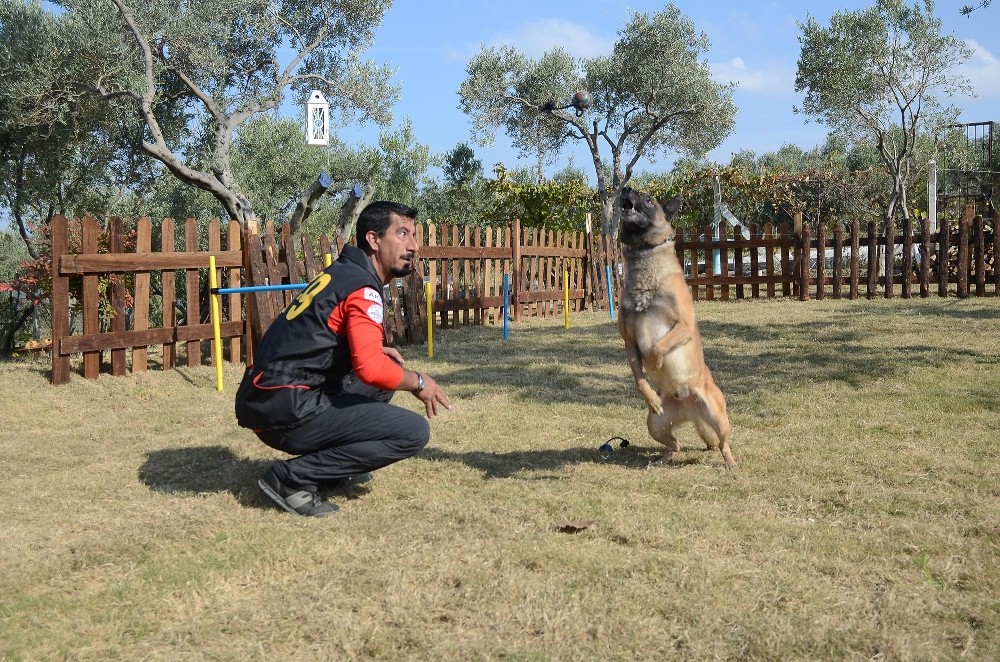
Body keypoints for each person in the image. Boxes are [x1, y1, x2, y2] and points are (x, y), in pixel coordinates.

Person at [235, 200, 451, 517]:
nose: (413, 246)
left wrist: (373, 355)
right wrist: (420, 383)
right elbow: (370, 368)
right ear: (373, 240)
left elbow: (319, 341)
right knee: (412, 432)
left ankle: (330, 470)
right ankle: (291, 480)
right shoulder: (362, 288)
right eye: (402, 234)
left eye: (414, 236)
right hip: (283, 406)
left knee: (387, 373)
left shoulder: (344, 273)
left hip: (269, 396)